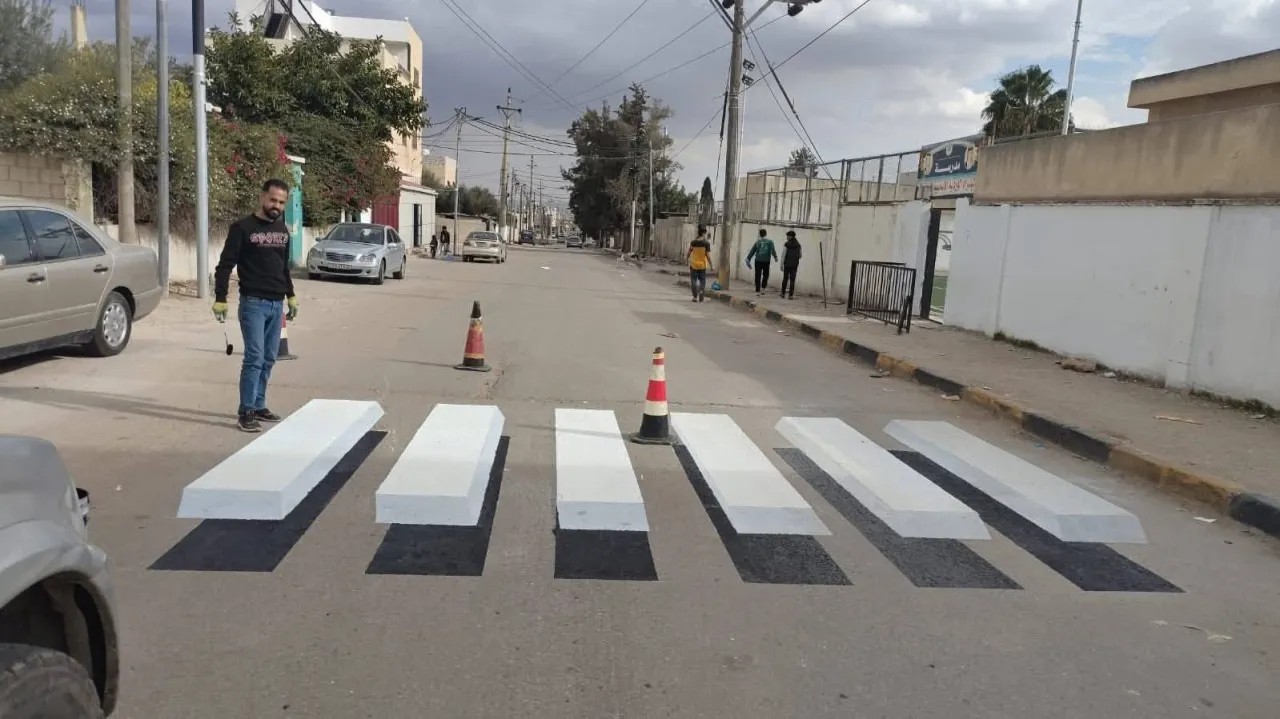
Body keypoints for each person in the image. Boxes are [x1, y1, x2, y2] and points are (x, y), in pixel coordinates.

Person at [212, 178, 298, 433]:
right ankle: (246, 411)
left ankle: (259, 404)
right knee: (254, 358)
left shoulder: (282, 230)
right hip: (253, 304)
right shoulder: (242, 228)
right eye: (273, 200)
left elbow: (284, 267)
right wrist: (220, 299)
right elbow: (224, 266)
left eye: (282, 202)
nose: (277, 206)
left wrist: (291, 295)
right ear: (262, 197)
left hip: (276, 304)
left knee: (270, 358)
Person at [745, 227, 778, 295]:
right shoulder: (770, 242)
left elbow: (752, 251)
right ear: (766, 234)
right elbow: (773, 250)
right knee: (765, 275)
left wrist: (748, 258)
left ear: (760, 235)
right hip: (766, 261)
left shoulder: (757, 242)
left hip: (758, 260)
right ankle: (763, 288)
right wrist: (775, 257)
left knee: (758, 275)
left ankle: (757, 290)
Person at [686, 226, 714, 302]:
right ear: (703, 233)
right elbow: (708, 256)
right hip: (702, 265)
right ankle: (701, 291)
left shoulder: (693, 242)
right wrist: (711, 265)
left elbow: (689, 252)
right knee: (702, 281)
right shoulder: (706, 243)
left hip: (694, 265)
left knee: (693, 281)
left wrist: (686, 259)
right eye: (705, 233)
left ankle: (695, 297)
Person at [780, 230, 802, 299]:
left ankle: (783, 294)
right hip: (794, 265)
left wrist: (781, 264)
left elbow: (783, 255)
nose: (786, 237)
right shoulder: (798, 245)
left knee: (785, 279)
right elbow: (800, 255)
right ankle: (791, 295)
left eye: (787, 236)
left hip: (787, 265)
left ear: (790, 236)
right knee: (792, 280)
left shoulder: (786, 244)